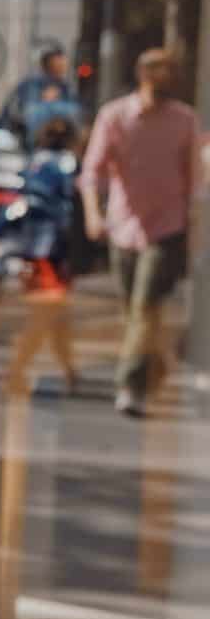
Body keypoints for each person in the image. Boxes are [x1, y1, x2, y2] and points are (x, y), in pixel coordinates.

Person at [81, 47, 199, 417]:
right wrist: (93, 215)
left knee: (145, 308)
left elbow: (194, 180)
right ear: (144, 76)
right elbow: (92, 173)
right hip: (123, 226)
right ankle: (154, 363)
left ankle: (129, 386)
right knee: (133, 312)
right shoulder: (115, 116)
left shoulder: (184, 120)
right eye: (160, 75)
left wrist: (195, 231)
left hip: (166, 227)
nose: (167, 83)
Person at [4, 115, 84, 395]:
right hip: (53, 250)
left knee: (55, 316)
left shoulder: (32, 163)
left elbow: (17, 205)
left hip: (32, 248)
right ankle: (17, 369)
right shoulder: (66, 165)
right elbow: (68, 208)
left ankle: (70, 371)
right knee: (45, 314)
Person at [6, 47, 84, 141]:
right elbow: (28, 110)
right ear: (49, 65)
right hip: (34, 141)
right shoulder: (33, 83)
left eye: (63, 64)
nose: (64, 67)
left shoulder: (65, 86)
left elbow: (76, 110)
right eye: (60, 64)